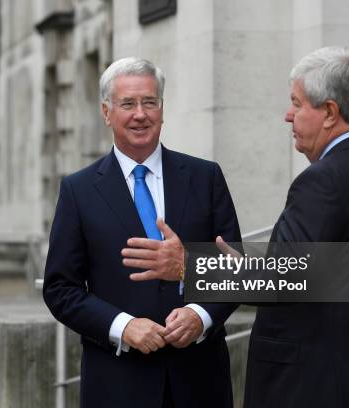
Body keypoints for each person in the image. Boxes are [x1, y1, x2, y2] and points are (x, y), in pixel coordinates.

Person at [123, 46, 349, 407]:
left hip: (316, 387)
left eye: (297, 102)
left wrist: (189, 265)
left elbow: (286, 279)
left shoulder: (325, 180)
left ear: (330, 113)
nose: (288, 115)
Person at [43, 57, 242, 408]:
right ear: (106, 112)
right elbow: (61, 289)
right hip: (118, 383)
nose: (140, 114)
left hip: (199, 380)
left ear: (162, 109)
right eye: (128, 104)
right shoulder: (79, 190)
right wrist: (122, 326)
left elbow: (237, 268)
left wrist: (201, 315)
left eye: (150, 102)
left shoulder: (205, 177)